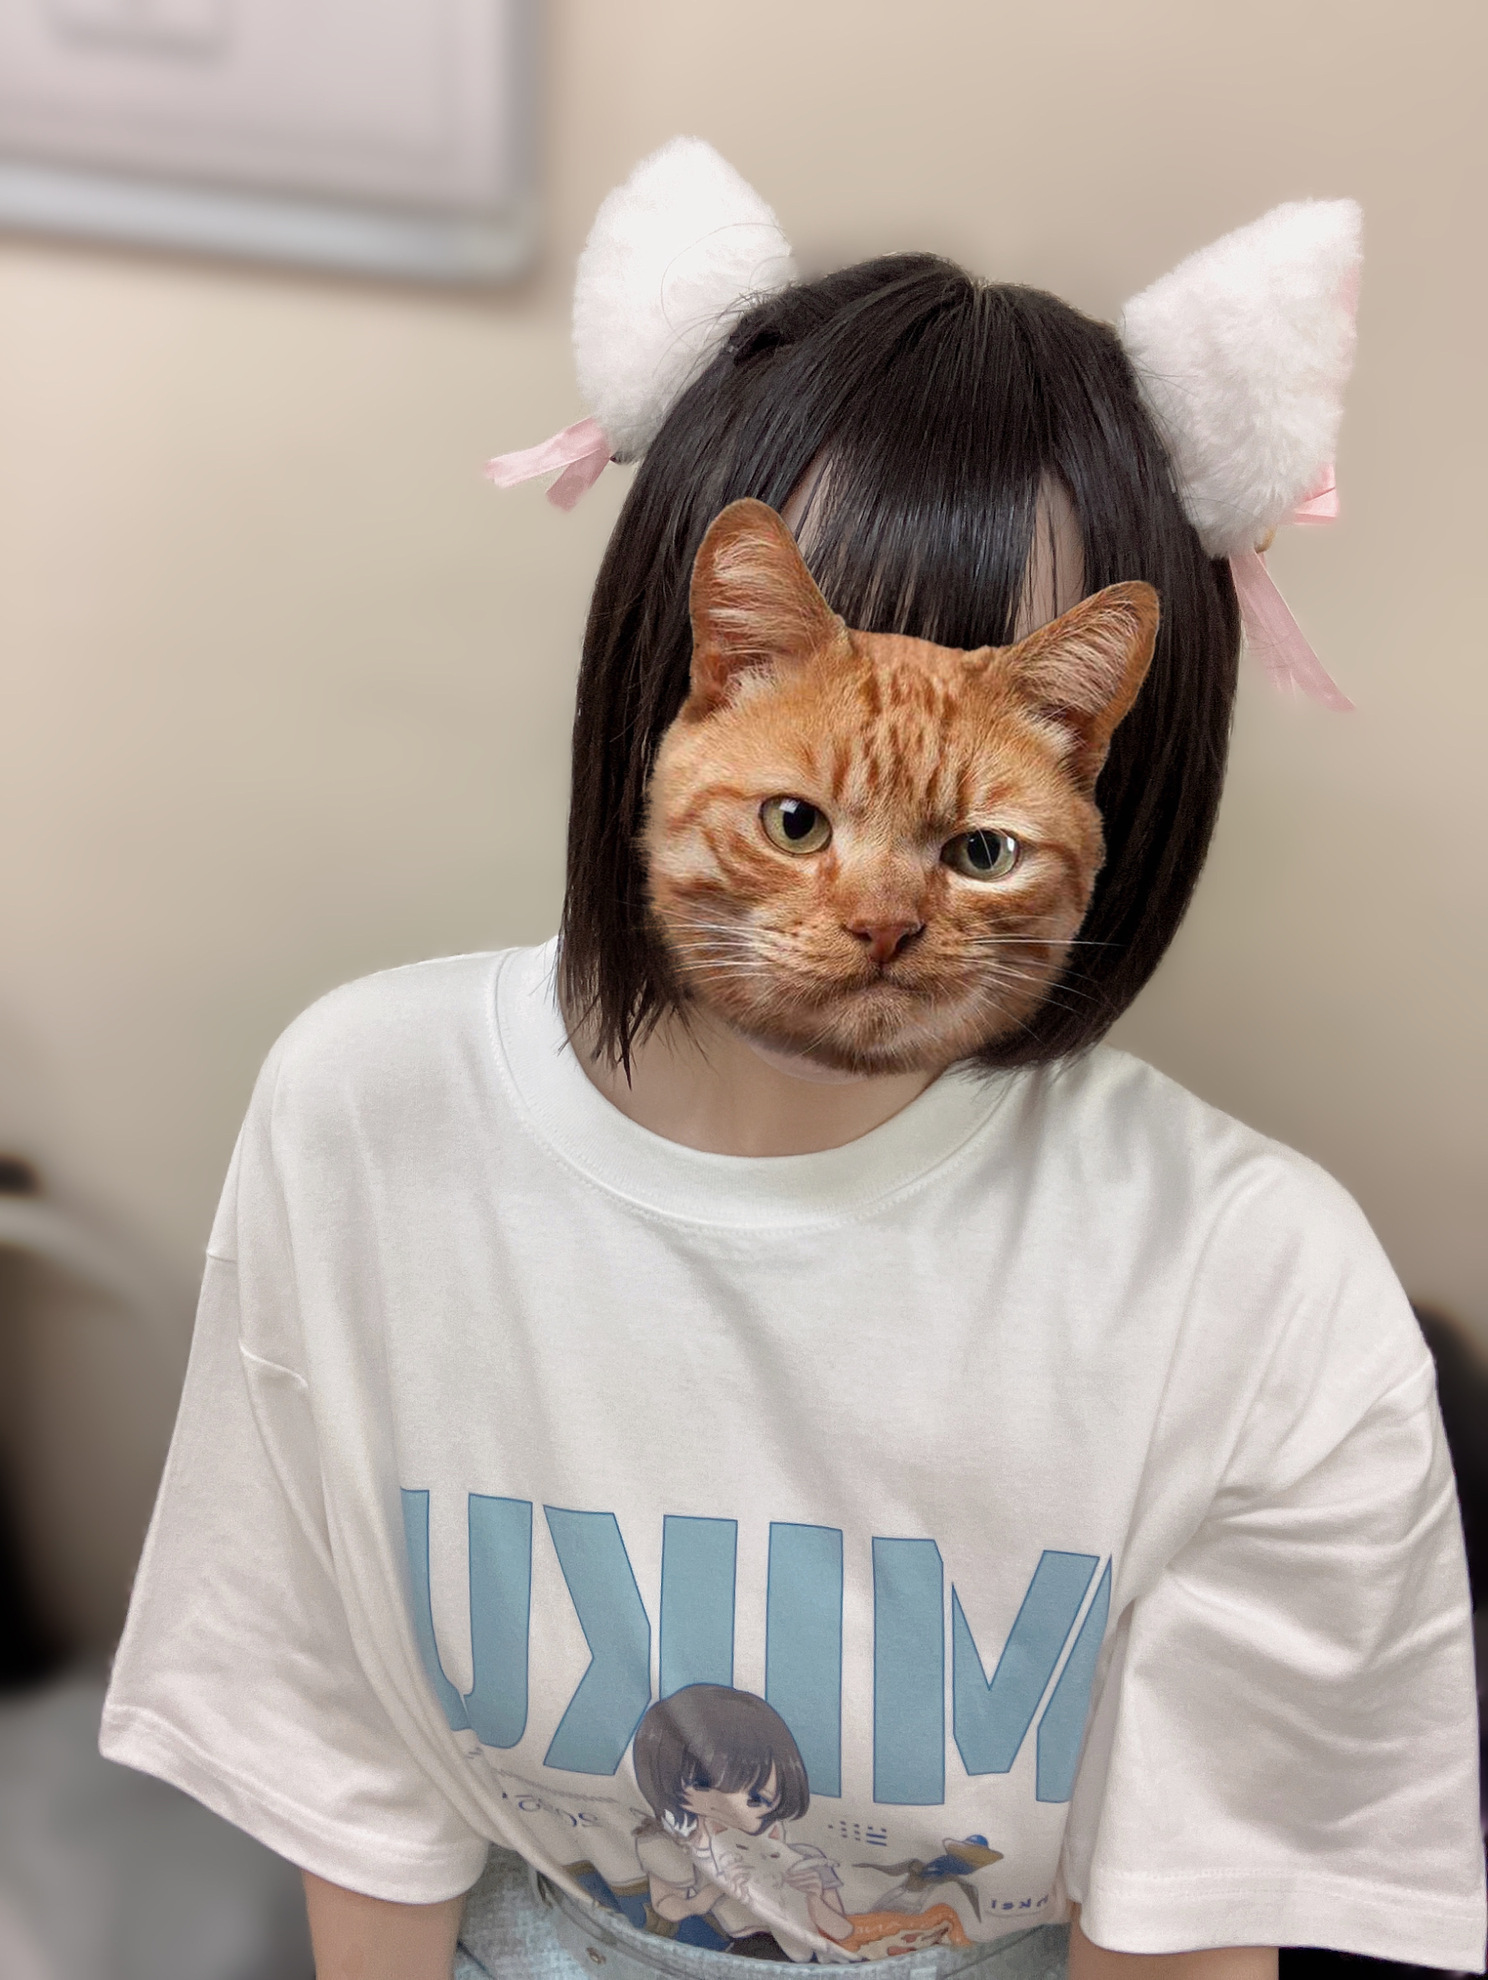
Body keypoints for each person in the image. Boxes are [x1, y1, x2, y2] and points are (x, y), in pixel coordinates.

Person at [99, 143, 1484, 1980]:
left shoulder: (1264, 1294)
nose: (882, 921)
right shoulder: (367, 1121)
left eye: (975, 841)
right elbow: (354, 1780)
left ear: (1107, 766)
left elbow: (1187, 1930)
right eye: (805, 814)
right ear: (690, 673)